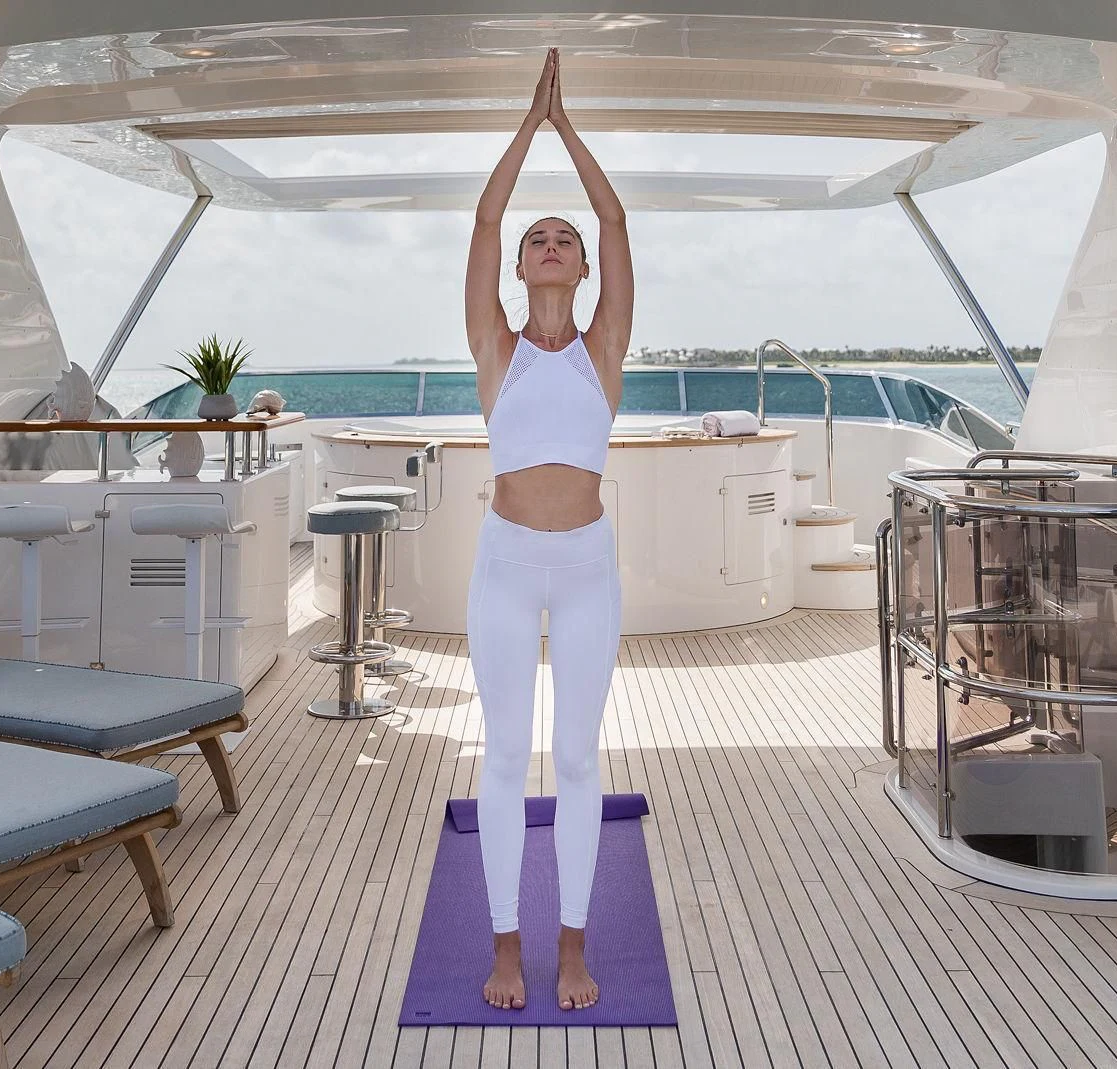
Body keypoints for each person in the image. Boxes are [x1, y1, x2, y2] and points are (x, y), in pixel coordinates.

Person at [463, 47, 632, 1013]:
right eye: (542, 238)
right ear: (524, 268)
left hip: (586, 570)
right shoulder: (497, 346)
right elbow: (486, 220)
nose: (556, 241)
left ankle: (570, 944)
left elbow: (614, 220)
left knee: (574, 760)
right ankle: (504, 944)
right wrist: (528, 127)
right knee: (500, 752)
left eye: (564, 238)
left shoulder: (604, 349)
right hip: (506, 565)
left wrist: (571, 130)